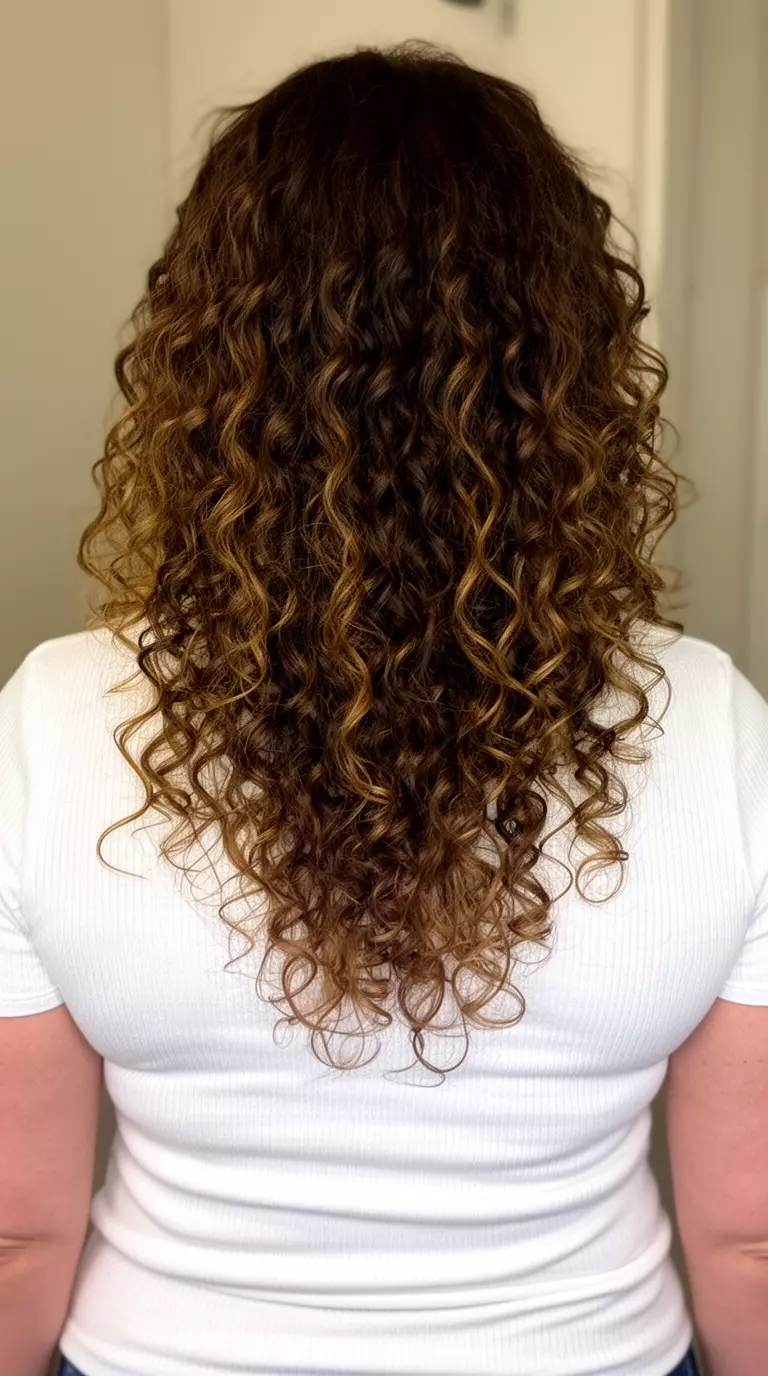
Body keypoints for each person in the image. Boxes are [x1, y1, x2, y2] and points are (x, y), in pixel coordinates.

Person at [1, 41, 766, 1376]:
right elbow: (751, 1235)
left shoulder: (55, 721)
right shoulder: (712, 723)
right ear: (568, 373)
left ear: (213, 364)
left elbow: (15, 1231)